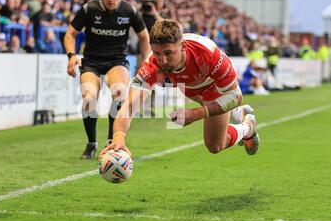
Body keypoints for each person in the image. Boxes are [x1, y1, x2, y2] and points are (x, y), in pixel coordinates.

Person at [101, 19, 259, 159]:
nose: (162, 60)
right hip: (189, 87)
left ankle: (248, 126)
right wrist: (118, 137)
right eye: (157, 53)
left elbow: (236, 97)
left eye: (168, 53)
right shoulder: (151, 66)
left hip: (214, 87)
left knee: (215, 145)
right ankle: (237, 113)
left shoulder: (208, 54)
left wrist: (195, 114)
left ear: (182, 46)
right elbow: (128, 106)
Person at [64, 0, 151, 159]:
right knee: (89, 98)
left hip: (117, 60)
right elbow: (70, 34)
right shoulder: (89, 9)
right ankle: (91, 144)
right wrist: (71, 56)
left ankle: (112, 141)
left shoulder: (130, 11)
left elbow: (145, 37)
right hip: (92, 61)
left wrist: (144, 62)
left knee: (119, 92)